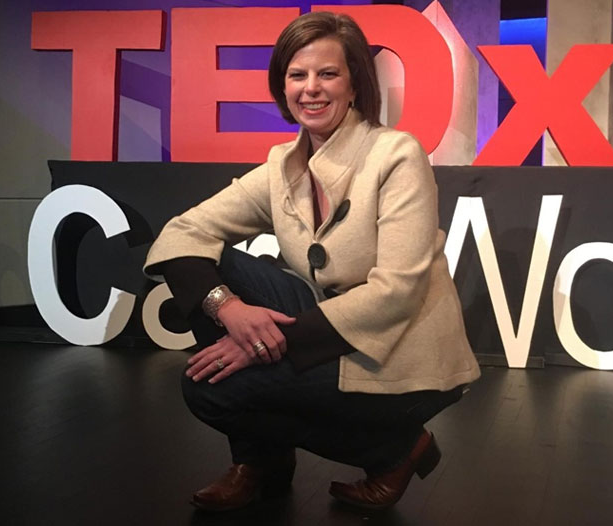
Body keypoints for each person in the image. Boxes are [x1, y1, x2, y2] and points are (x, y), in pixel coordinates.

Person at [144, 11, 480, 512]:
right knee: (214, 265)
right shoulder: (281, 165)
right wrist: (228, 309)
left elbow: (396, 292)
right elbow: (181, 231)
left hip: (400, 344)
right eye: (297, 75)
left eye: (328, 74)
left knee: (210, 391)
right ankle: (264, 462)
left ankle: (393, 449)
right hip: (327, 326)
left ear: (354, 84)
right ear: (283, 87)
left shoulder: (396, 154)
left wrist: (265, 347)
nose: (311, 88)